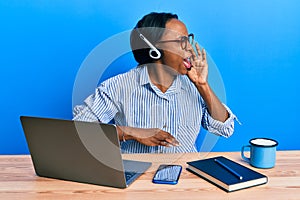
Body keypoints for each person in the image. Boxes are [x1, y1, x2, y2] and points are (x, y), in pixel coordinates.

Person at [73, 12, 237, 153]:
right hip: (137, 180)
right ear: (155, 49)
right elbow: (80, 131)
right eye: (181, 41)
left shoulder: (194, 86)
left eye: (189, 40)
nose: (190, 48)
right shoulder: (118, 86)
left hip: (186, 179)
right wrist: (131, 132)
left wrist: (203, 85)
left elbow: (225, 128)